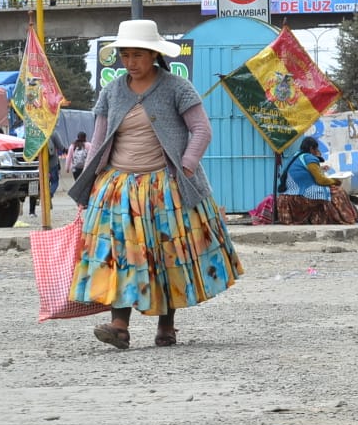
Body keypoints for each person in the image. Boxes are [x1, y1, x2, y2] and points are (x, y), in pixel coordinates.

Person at [68, 19, 243, 350]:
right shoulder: (112, 91)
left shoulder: (177, 88)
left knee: (167, 253)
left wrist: (187, 166)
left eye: (137, 55)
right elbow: (99, 139)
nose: (130, 62)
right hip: (118, 189)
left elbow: (202, 131)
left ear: (153, 55)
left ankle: (167, 326)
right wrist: (89, 185)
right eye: (125, 55)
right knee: (120, 255)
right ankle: (119, 325)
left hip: (165, 187)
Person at [276, 135, 358, 225]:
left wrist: (321, 168)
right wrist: (336, 181)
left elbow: (305, 171)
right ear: (312, 149)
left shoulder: (297, 156)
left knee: (329, 191)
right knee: (338, 192)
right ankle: (348, 218)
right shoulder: (309, 157)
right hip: (300, 195)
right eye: (316, 149)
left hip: (287, 196)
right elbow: (321, 180)